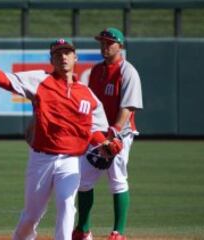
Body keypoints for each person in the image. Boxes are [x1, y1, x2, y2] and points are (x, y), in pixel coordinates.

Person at [0, 39, 123, 240]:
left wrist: (106, 144)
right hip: (41, 159)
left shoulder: (87, 95)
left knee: (68, 207)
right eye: (58, 54)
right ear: (51, 59)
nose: (63, 57)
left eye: (67, 53)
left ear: (75, 58)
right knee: (32, 216)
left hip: (70, 161)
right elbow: (8, 81)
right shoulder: (39, 80)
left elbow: (94, 131)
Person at [72, 28, 143, 240]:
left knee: (117, 180)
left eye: (109, 43)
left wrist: (114, 132)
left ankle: (118, 232)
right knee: (83, 180)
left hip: (120, 134)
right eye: (102, 42)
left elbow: (128, 107)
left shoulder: (127, 71)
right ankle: (83, 229)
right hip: (97, 134)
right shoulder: (96, 71)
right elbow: (92, 103)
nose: (104, 46)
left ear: (119, 46)